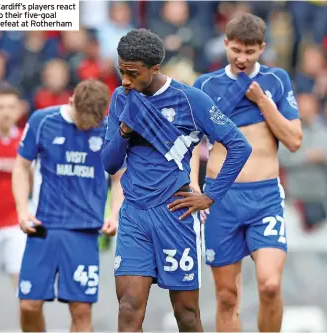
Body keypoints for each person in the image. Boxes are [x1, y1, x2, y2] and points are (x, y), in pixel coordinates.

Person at [101, 28, 252, 332]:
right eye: (121, 71)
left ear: (154, 69)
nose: (125, 80)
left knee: (186, 314)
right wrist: (123, 132)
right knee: (129, 308)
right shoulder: (122, 97)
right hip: (134, 216)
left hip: (175, 214)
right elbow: (110, 162)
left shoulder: (190, 99)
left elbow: (239, 145)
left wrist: (210, 194)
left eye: (132, 73)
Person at [192, 13, 303, 332]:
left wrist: (264, 103)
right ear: (225, 44)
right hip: (220, 199)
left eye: (250, 52)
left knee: (269, 284)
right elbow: (190, 144)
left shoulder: (277, 80)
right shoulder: (206, 85)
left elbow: (294, 140)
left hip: (263, 198)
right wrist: (192, 184)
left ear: (262, 49)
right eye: (236, 50)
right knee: (227, 297)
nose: (242, 58)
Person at [12, 79, 124, 332]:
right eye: (85, 119)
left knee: (81, 310)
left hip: (84, 232)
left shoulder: (109, 130)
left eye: (95, 120)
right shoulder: (43, 120)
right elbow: (21, 166)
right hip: (43, 227)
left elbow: (119, 179)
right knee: (29, 305)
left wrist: (115, 214)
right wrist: (21, 209)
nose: (89, 125)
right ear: (71, 100)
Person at [0, 85, 26, 290]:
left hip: (14, 222)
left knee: (22, 284)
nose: (5, 112)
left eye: (11, 107)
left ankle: (28, 323)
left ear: (19, 110)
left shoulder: (26, 139)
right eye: (0, 107)